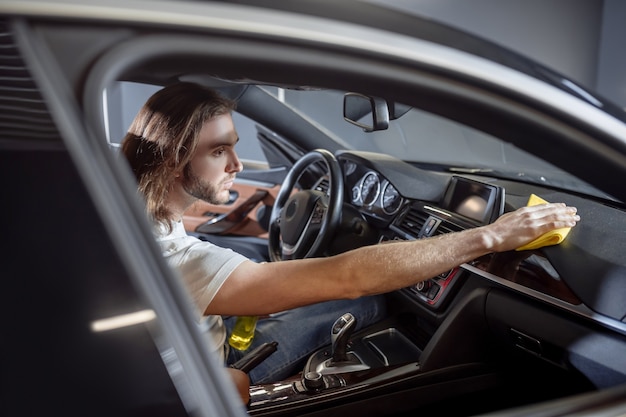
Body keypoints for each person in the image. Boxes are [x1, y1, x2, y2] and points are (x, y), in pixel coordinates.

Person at [121, 82, 580, 404]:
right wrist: (491, 235)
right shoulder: (177, 259)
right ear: (173, 160)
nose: (238, 164)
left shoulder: (132, 215)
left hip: (202, 348)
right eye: (220, 150)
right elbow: (350, 276)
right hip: (212, 379)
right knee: (370, 306)